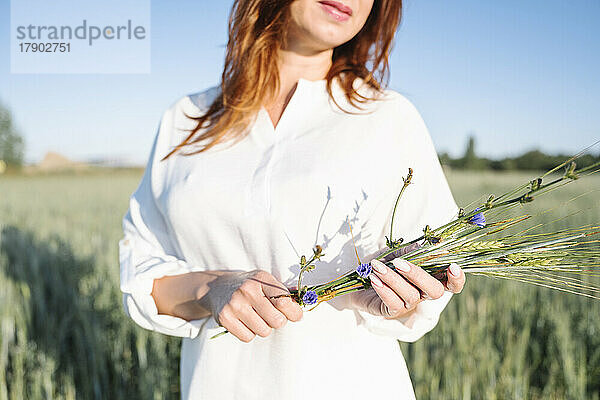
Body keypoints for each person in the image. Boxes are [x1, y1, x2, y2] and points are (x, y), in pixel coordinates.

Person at [118, 0, 466, 398]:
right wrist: (213, 288)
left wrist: (402, 296)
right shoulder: (185, 120)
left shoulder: (391, 119)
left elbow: (433, 271)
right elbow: (142, 278)